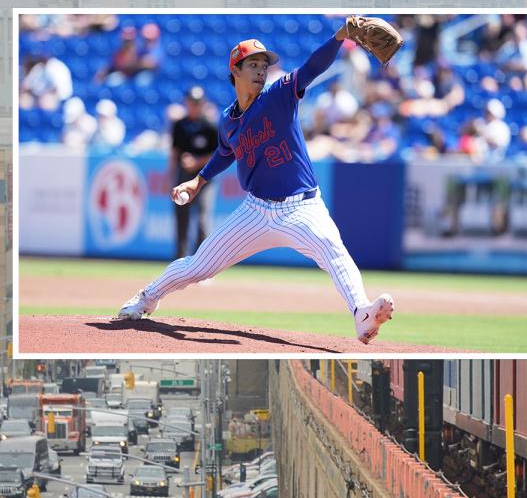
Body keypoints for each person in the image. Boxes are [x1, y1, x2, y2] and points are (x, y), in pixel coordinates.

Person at [114, 27, 395, 345]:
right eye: (253, 64)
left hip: (302, 207)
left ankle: (362, 314)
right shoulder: (227, 120)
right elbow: (224, 153)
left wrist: (339, 36)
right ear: (235, 71)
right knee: (199, 266)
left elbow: (313, 68)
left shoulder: (279, 96)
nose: (262, 70)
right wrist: (198, 180)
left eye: (265, 65)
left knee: (334, 253)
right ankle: (147, 297)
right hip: (256, 210)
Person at [170, 87, 218, 259]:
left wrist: (196, 161)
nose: (195, 106)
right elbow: (174, 152)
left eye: (198, 103)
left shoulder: (210, 126)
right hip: (183, 177)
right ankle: (179, 261)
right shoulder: (180, 125)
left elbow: (218, 155)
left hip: (205, 178)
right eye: (192, 102)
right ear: (186, 103)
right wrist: (170, 177)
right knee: (181, 218)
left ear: (203, 104)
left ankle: (202, 263)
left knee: (203, 219)